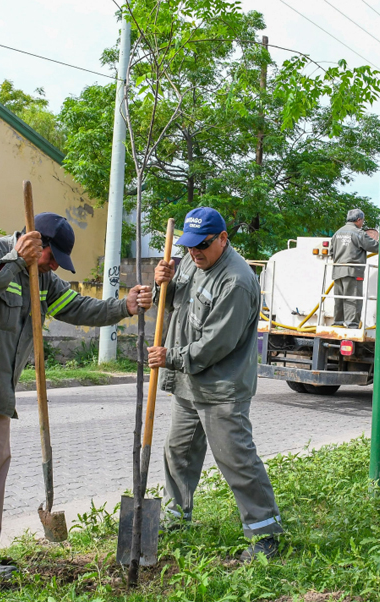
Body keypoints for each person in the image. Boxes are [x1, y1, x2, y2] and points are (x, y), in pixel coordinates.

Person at [0, 213, 152, 602]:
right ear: (35, 241)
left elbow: (77, 308)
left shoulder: (43, 279)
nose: (55, 265)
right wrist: (12, 259)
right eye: (52, 255)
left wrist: (123, 306)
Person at [147, 207, 283, 562]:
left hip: (221, 388)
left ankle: (265, 533)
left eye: (203, 245)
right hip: (190, 383)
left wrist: (171, 357)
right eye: (189, 246)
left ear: (223, 238)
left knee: (235, 460)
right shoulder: (193, 261)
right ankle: (176, 518)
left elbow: (214, 344)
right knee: (178, 451)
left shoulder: (236, 282)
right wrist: (165, 281)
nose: (195, 253)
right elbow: (177, 299)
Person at [329, 209, 379, 328]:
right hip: (353, 271)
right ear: (358, 220)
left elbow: (331, 252)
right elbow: (374, 246)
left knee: (339, 298)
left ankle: (338, 323)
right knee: (353, 299)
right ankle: (352, 325)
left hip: (337, 271)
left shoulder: (337, 233)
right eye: (362, 221)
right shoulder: (358, 233)